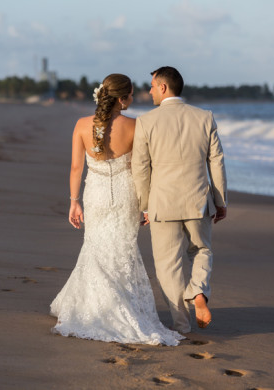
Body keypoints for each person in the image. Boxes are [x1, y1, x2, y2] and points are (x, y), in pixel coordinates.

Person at [50, 73, 183, 346]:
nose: (133, 99)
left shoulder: (82, 125)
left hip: (95, 195)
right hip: (126, 195)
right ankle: (120, 307)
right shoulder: (137, 126)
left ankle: (94, 307)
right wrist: (146, 204)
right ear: (121, 99)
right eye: (131, 94)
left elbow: (77, 168)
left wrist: (74, 201)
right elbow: (143, 168)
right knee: (122, 249)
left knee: (96, 247)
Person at [131, 66, 227, 334]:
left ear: (163, 87)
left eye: (151, 85)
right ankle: (198, 294)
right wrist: (220, 201)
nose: (149, 91)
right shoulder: (204, 117)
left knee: (167, 265)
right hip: (198, 200)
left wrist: (146, 206)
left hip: (162, 204)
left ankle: (181, 325)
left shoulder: (146, 121)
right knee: (202, 250)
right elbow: (216, 163)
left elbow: (140, 168)